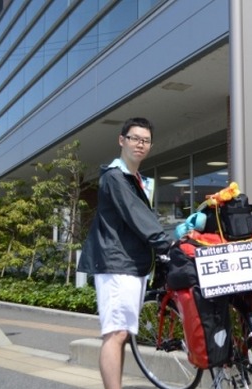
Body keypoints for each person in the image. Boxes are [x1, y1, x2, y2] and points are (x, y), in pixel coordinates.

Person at [78, 117, 172, 389]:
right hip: (117, 264)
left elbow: (143, 219)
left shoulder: (137, 180)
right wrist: (166, 243)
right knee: (116, 333)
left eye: (145, 140)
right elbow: (137, 217)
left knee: (121, 333)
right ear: (122, 140)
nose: (140, 144)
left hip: (131, 264)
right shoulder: (115, 177)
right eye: (134, 138)